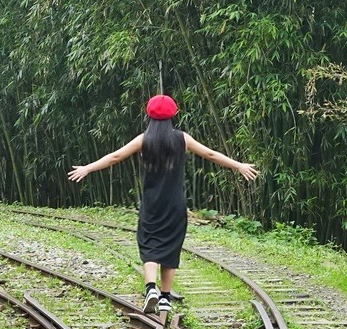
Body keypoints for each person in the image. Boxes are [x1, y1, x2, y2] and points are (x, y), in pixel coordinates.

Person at [67, 94, 258, 316]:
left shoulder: (144, 139)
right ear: (174, 114)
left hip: (151, 202)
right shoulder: (182, 139)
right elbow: (210, 154)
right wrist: (239, 165)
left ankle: (151, 289)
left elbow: (115, 157)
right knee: (171, 246)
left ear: (148, 114)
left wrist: (88, 168)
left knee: (149, 243)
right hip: (175, 203)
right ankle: (165, 298)